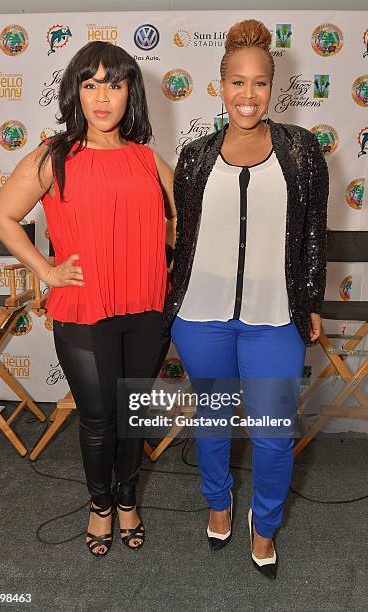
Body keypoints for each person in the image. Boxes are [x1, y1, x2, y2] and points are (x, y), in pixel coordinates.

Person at [0, 41, 176, 558]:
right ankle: (99, 506)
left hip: (146, 306)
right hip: (83, 307)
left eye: (114, 84)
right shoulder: (55, 156)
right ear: (75, 91)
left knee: (133, 414)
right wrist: (46, 269)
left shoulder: (147, 159)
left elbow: (185, 225)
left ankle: (128, 500)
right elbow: (2, 215)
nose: (102, 96)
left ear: (129, 94)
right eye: (90, 84)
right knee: (98, 418)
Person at [163, 19, 329, 579]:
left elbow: (312, 233)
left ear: (272, 86)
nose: (248, 95)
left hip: (274, 318)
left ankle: (265, 526)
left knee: (274, 434)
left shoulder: (302, 152)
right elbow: (184, 236)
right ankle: (218, 501)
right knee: (211, 423)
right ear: (220, 85)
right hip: (200, 316)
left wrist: (310, 301)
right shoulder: (194, 155)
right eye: (237, 82)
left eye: (259, 83)